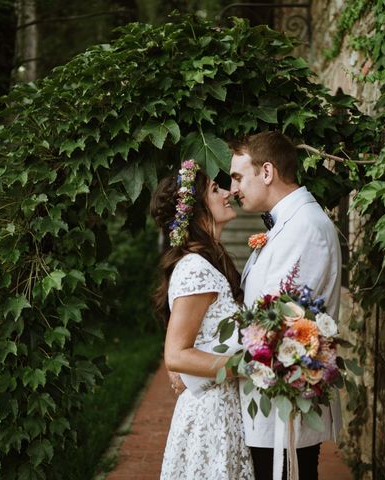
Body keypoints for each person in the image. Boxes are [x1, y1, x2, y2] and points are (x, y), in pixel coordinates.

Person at [229, 131, 343, 480]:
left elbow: (281, 324)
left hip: (285, 407)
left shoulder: (306, 227)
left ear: (267, 172)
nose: (233, 188)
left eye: (237, 176)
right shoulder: (288, 224)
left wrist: (201, 358)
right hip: (269, 407)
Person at [150, 159, 255, 480]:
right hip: (211, 416)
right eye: (215, 189)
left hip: (222, 407)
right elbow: (176, 355)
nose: (227, 193)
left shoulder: (211, 260)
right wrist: (252, 366)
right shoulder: (196, 268)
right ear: (196, 210)